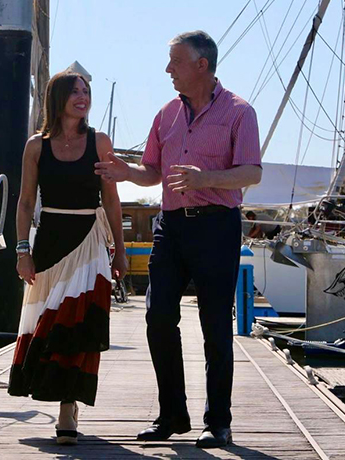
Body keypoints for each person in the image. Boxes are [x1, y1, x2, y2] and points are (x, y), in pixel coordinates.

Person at [95, 30, 262, 449]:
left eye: (175, 62)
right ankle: (172, 414)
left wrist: (207, 179)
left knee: (214, 325)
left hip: (217, 225)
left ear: (201, 65)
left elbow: (251, 172)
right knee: (157, 316)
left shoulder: (240, 112)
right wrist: (125, 172)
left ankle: (217, 421)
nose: (168, 69)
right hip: (170, 226)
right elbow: (152, 171)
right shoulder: (166, 113)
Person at [8, 70, 128, 446]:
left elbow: (111, 200)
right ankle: (61, 398)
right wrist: (22, 250)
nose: (83, 96)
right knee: (48, 325)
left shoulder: (100, 142)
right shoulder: (35, 146)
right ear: (57, 98)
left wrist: (120, 251)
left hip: (90, 244)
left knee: (78, 327)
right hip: (49, 244)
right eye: (75, 91)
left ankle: (66, 406)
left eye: (86, 91)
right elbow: (26, 202)